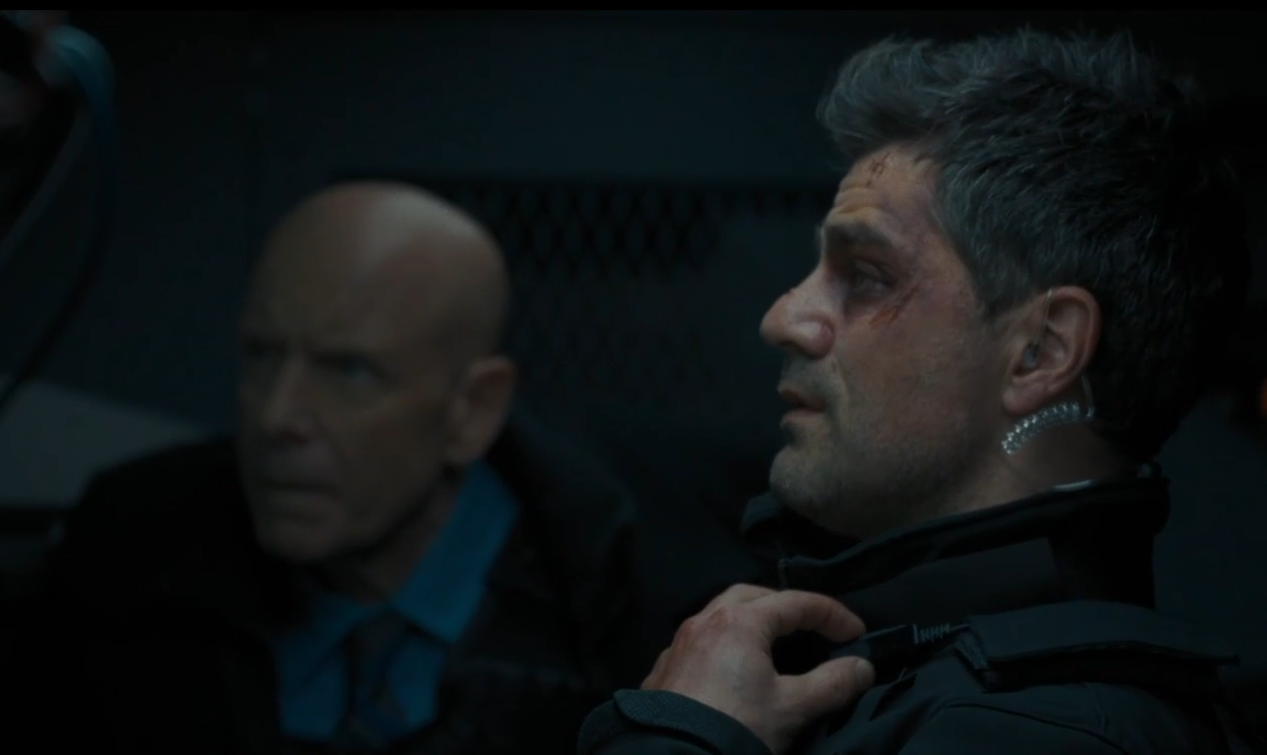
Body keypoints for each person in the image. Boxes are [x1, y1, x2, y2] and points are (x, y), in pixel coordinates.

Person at [578, 28, 1252, 755]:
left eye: (867, 277)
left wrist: (679, 737)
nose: (785, 317)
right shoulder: (908, 669)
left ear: (1041, 353)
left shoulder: (1033, 735)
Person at [6, 181, 764, 754]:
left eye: (350, 372)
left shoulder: (654, 605)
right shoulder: (129, 554)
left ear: (471, 410)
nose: (277, 417)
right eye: (261, 355)